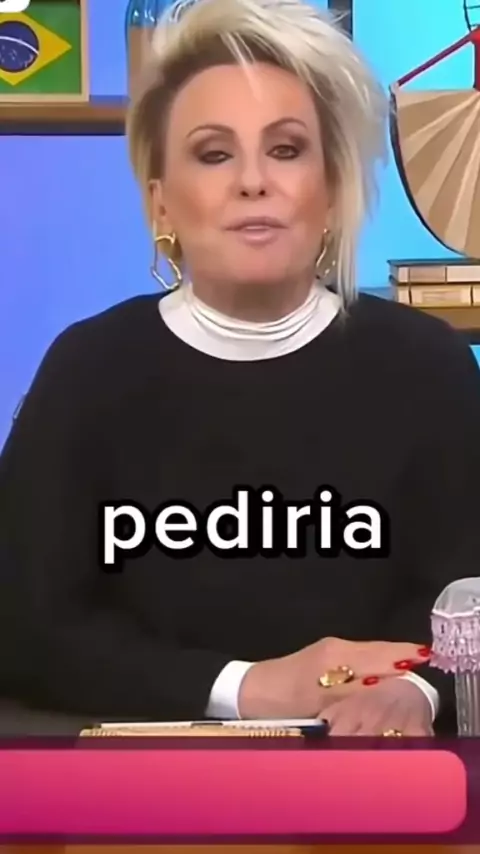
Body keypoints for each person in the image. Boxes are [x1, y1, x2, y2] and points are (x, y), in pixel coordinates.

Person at [1, 0, 479, 737]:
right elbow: (25, 626)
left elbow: (469, 596)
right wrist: (248, 687)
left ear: (332, 190)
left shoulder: (430, 369)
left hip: (379, 785)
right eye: (214, 154)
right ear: (161, 201)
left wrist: (419, 691)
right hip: (137, 788)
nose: (254, 181)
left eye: (286, 149)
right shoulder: (89, 371)